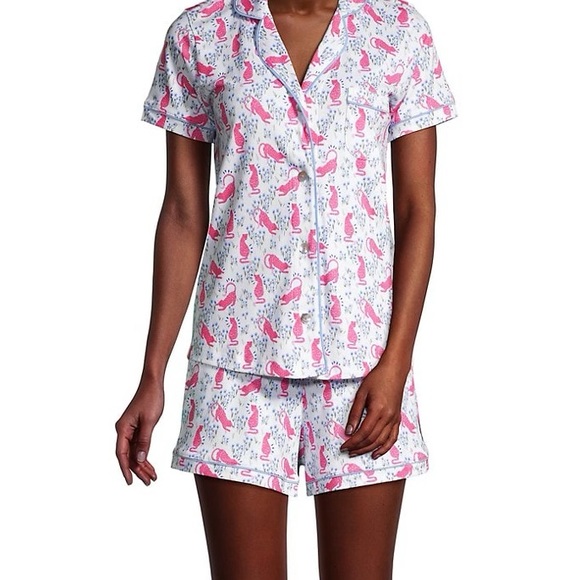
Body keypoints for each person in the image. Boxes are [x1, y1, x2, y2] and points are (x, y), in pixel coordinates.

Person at [115, 0, 458, 577]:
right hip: (233, 367)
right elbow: (182, 212)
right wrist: (153, 375)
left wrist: (396, 364)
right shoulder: (201, 35)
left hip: (363, 368)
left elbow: (416, 209)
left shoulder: (397, 32)